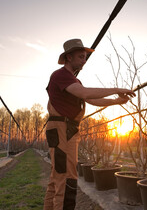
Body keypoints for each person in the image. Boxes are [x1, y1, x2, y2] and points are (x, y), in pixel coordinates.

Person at [43, 38, 135, 210]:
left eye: (85, 57)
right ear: (68, 57)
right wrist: (116, 89)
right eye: (80, 57)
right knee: (67, 176)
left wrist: (116, 101)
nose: (84, 61)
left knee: (58, 175)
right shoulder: (60, 75)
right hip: (62, 129)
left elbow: (91, 99)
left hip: (67, 129)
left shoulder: (73, 80)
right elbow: (85, 93)